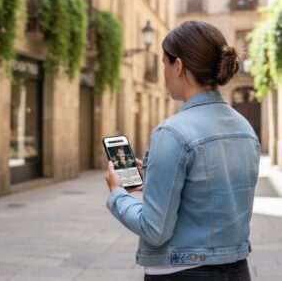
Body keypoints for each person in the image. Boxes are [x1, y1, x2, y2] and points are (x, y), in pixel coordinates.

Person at [105, 21, 260, 281]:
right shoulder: (244, 127)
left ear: (178, 66)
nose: (163, 71)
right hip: (237, 270)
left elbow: (154, 230)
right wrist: (156, 176)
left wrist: (117, 193)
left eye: (163, 63)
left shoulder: (173, 132)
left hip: (182, 272)